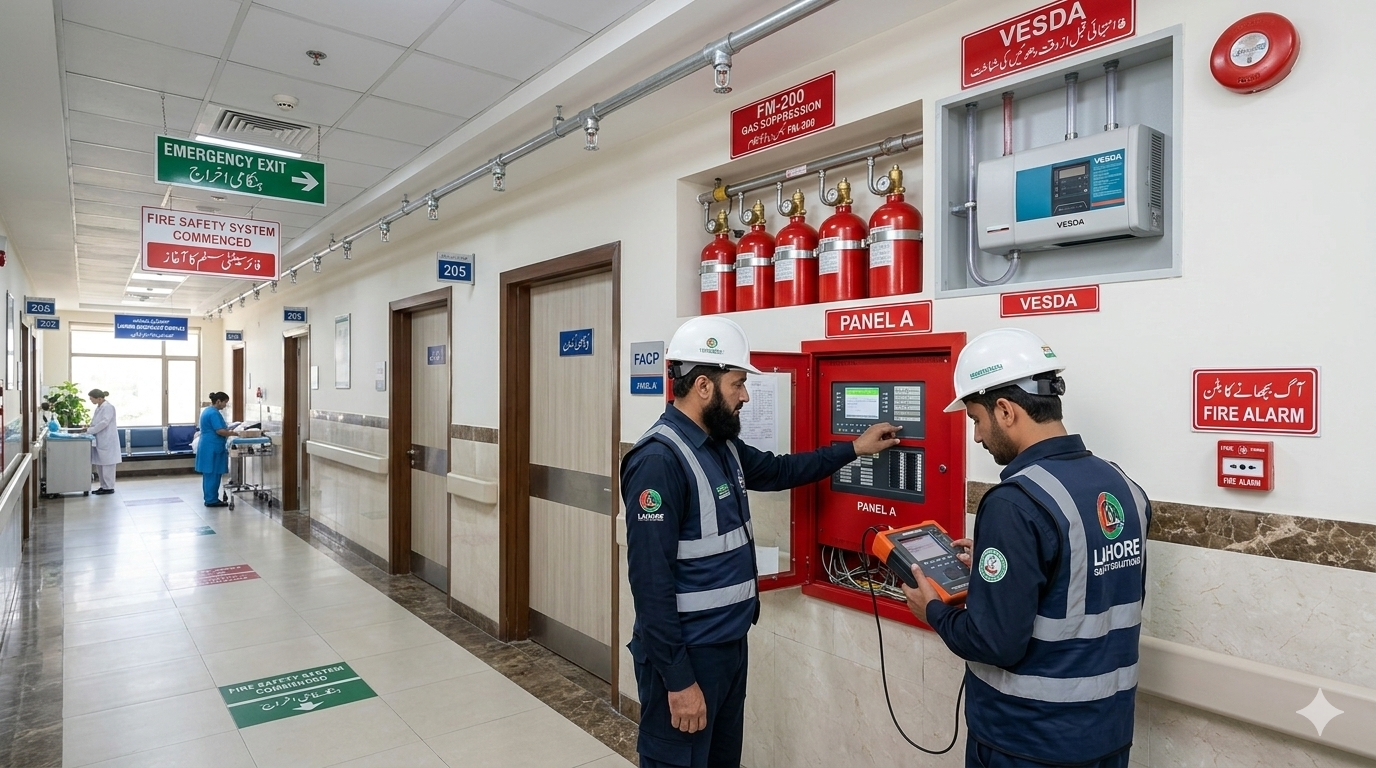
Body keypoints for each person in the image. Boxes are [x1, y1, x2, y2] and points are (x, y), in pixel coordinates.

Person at [621, 316, 901, 768]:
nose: (745, 396)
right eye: (737, 384)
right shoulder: (658, 461)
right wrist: (678, 680)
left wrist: (854, 449)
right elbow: (650, 584)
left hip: (728, 645)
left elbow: (779, 470)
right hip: (688, 656)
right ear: (704, 387)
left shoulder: (721, 445)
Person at [901, 328, 1150, 768]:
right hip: (1108, 732)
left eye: (976, 420)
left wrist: (932, 611)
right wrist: (1010, 560)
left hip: (1027, 740)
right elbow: (1078, 576)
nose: (977, 437)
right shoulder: (1123, 486)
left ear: (1005, 410)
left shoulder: (1015, 502)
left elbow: (994, 643)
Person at [196, 392, 233, 508]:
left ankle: (210, 498)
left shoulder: (208, 411)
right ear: (218, 401)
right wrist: (234, 433)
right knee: (213, 474)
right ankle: (211, 500)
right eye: (225, 402)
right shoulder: (213, 413)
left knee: (209, 474)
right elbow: (220, 431)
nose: (225, 405)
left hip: (208, 446)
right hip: (212, 447)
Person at [87, 389, 120, 495]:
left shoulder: (108, 407)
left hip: (107, 439)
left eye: (91, 398)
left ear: (99, 398)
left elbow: (104, 423)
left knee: (108, 464)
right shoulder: (99, 408)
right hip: (100, 439)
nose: (90, 400)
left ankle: (109, 487)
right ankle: (103, 486)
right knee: (100, 464)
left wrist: (91, 430)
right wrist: (89, 428)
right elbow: (96, 422)